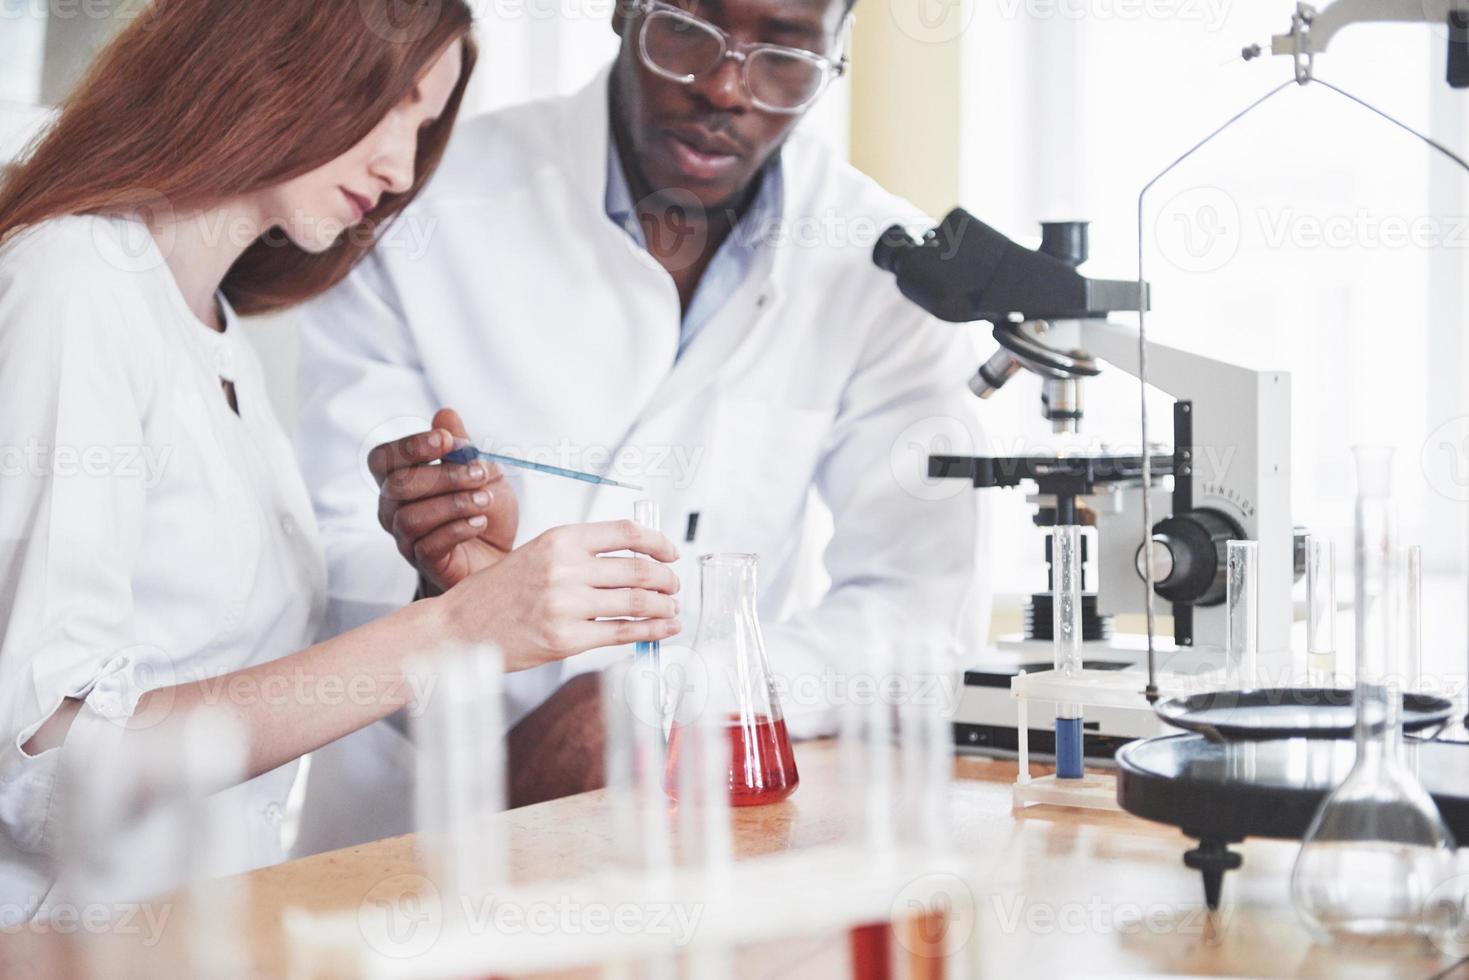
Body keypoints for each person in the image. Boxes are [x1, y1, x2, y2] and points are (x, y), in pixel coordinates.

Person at [0, 0, 680, 922]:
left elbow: (229, 688)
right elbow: (49, 769)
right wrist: (457, 632)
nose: (402, 168)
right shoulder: (76, 281)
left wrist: (438, 593)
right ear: (273, 53)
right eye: (392, 104)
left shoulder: (213, 330)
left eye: (426, 126)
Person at [294, 0, 987, 844]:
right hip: (406, 829)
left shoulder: (880, 262)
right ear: (625, 11)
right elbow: (326, 552)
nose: (727, 87)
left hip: (698, 828)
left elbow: (916, 618)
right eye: (689, 33)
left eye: (785, 56)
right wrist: (437, 577)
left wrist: (661, 701)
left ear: (835, 55)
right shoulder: (415, 201)